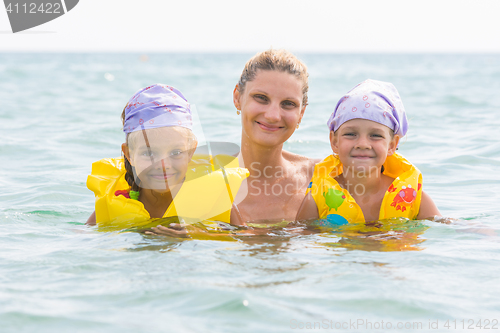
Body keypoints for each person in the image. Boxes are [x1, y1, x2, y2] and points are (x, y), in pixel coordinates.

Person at [86, 84, 248, 232]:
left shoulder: (215, 198)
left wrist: (202, 234)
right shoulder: (114, 201)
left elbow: (247, 241)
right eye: (149, 153)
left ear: (190, 152)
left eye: (175, 153)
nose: (163, 165)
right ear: (129, 154)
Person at [296, 79, 441, 224]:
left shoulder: (414, 198)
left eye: (375, 135)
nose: (363, 144)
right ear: (334, 141)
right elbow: (300, 237)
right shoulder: (316, 198)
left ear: (392, 145)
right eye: (351, 134)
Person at [229, 49, 317, 225]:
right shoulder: (204, 180)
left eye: (288, 104)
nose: (273, 115)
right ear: (238, 97)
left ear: (301, 113)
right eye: (261, 98)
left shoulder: (321, 177)